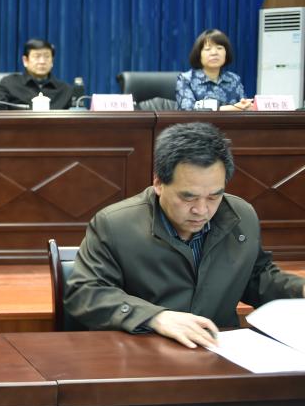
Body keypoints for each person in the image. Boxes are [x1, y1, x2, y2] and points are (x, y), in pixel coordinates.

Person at [64, 122, 304, 349]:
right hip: (143, 353)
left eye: (214, 196)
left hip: (221, 352)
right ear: (159, 183)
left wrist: (300, 290)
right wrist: (155, 317)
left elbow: (257, 278)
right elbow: (85, 293)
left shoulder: (241, 216)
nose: (202, 210)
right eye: (188, 197)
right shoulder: (115, 224)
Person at [175, 29, 252, 111]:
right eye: (208, 49)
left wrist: (247, 106)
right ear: (199, 54)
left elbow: (244, 108)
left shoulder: (234, 79)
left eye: (219, 48)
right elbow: (187, 109)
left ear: (226, 53)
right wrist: (232, 108)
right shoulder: (186, 79)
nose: (214, 53)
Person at [0, 39, 73, 110]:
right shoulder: (9, 84)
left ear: (52, 61)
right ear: (25, 61)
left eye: (47, 57)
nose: (42, 61)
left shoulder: (65, 90)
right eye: (37, 56)